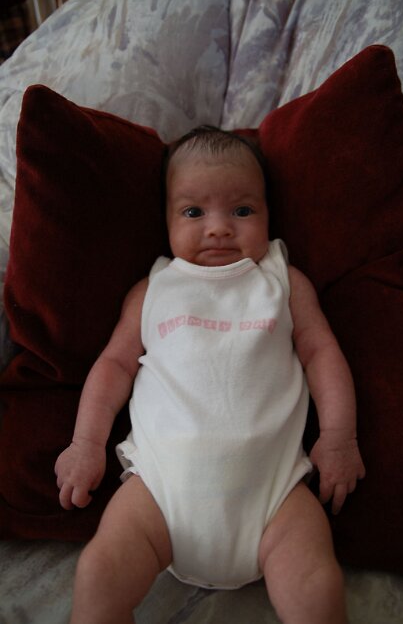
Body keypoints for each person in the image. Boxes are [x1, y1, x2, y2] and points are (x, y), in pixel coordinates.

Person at [55, 126, 365, 624]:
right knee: (98, 574)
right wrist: (86, 443)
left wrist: (339, 437)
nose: (218, 228)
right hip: (159, 495)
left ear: (268, 213)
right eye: (193, 212)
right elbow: (114, 365)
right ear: (166, 219)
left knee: (317, 587)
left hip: (275, 497)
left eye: (242, 210)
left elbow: (322, 354)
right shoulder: (155, 288)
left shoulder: (282, 281)